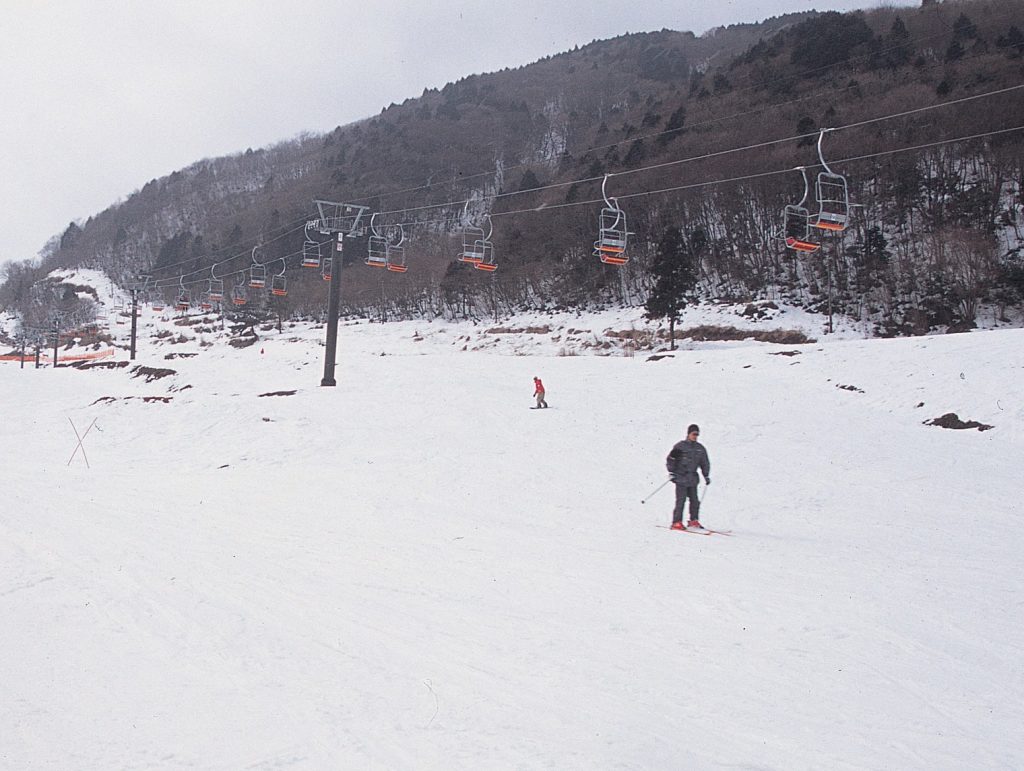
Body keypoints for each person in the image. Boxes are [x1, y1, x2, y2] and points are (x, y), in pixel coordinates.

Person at [666, 424, 710, 529]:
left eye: (697, 434)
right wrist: (671, 471)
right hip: (681, 478)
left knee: (694, 501)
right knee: (681, 500)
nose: (695, 436)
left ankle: (693, 520)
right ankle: (676, 522)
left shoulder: (700, 449)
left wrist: (706, 475)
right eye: (693, 434)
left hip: (693, 479)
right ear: (688, 434)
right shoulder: (680, 446)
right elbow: (671, 460)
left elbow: (705, 463)